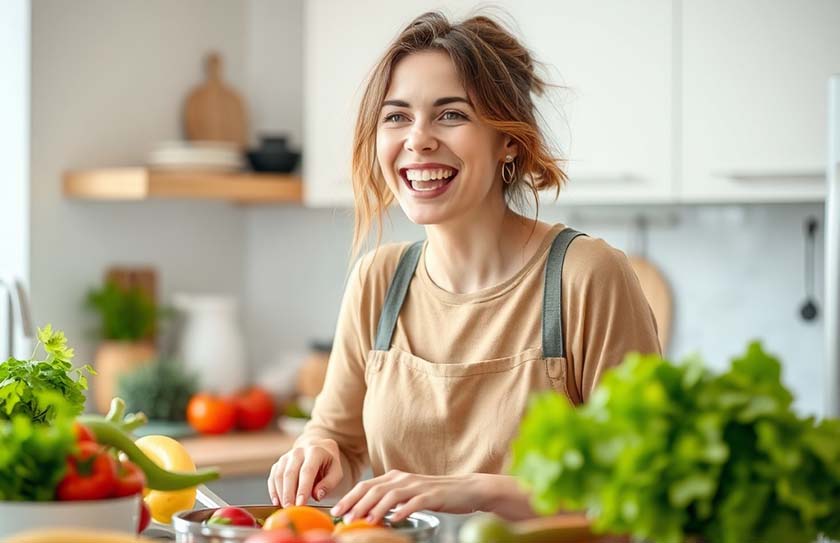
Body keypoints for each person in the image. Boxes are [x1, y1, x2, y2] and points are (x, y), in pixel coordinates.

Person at [267, 10, 660, 526]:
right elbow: (338, 439)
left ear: (509, 141)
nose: (418, 139)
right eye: (396, 116)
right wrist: (315, 454)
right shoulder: (378, 280)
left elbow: (643, 487)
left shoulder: (585, 276)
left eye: (450, 115)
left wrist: (473, 491)